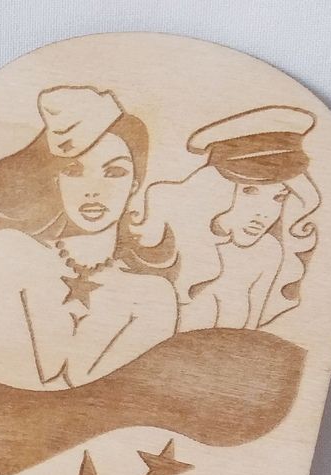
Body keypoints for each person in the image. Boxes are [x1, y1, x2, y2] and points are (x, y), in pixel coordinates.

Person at [0, 86, 177, 390]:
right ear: (55, 179)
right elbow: (0, 378)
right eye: (74, 170)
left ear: (134, 184)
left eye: (115, 172)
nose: (94, 190)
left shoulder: (154, 297)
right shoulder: (10, 252)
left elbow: (118, 401)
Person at [134, 106, 320, 331]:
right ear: (216, 189)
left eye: (278, 197)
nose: (264, 213)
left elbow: (248, 339)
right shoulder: (173, 244)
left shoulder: (267, 252)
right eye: (249, 191)